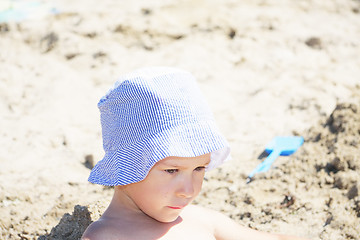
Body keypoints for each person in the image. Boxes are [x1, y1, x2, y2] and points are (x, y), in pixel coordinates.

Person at [82, 67, 309, 240]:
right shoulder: (107, 235)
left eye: (200, 168)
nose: (189, 191)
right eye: (172, 170)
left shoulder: (200, 218)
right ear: (127, 167)